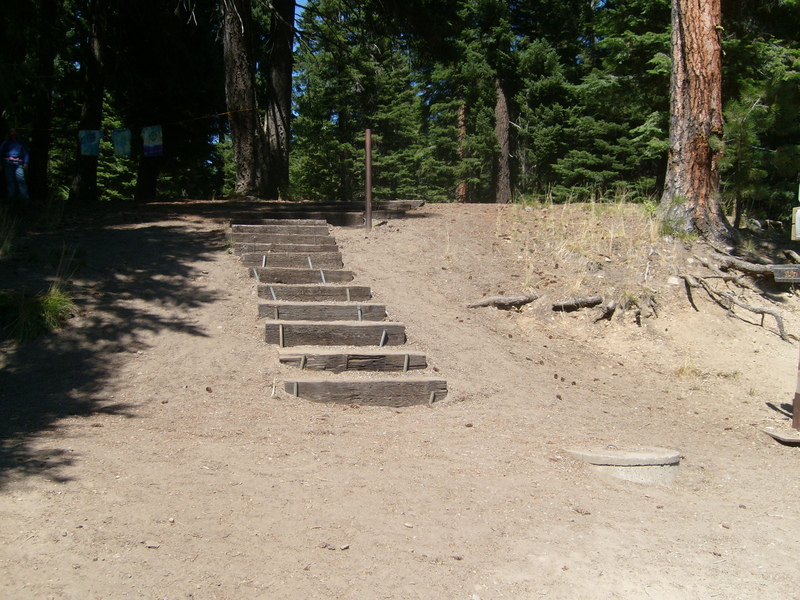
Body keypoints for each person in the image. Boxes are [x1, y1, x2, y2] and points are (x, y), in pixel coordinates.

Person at [0, 128, 30, 200]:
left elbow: (26, 153)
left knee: (21, 179)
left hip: (18, 162)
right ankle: (11, 196)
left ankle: (25, 197)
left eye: (15, 133)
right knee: (10, 180)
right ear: (9, 134)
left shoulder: (21, 143)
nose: (13, 134)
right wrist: (0, 164)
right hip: (7, 162)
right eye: (11, 133)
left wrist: (26, 163)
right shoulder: (6, 143)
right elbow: (0, 153)